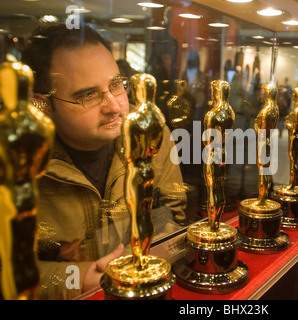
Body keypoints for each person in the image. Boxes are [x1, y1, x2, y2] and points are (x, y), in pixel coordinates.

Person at [21, 23, 186, 299]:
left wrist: (145, 262)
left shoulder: (149, 131)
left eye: (116, 85)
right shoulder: (16, 163)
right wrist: (77, 278)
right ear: (44, 105)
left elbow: (175, 221)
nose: (115, 106)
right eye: (88, 95)